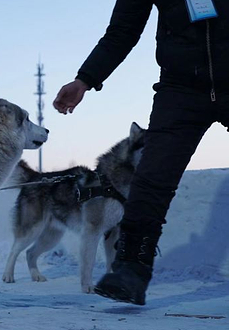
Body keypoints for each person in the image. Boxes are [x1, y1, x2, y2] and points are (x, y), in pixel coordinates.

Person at [53, 1, 229, 305]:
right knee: (150, 180)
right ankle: (130, 270)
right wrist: (86, 79)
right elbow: (123, 30)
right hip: (180, 89)